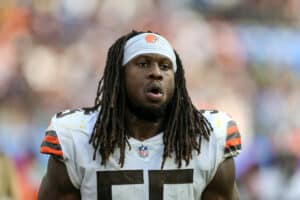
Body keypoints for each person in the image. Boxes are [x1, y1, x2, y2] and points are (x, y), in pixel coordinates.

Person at [38, 30, 242, 200]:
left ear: (177, 81)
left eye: (165, 66)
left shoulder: (208, 138)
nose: (156, 73)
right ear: (119, 76)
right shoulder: (77, 137)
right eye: (143, 63)